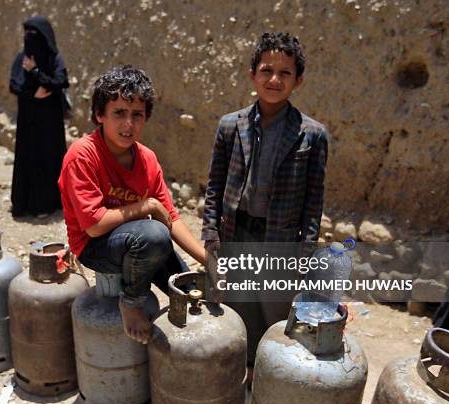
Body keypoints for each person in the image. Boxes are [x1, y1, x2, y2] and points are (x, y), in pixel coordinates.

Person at [202, 32, 328, 368]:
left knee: (274, 313)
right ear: (252, 75)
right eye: (266, 70)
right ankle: (238, 377)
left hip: (279, 240)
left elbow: (314, 199)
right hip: (236, 235)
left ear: (298, 80)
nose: (274, 79)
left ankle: (268, 379)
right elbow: (215, 185)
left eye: (285, 72)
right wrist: (211, 236)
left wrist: (306, 250)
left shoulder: (311, 134)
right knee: (236, 309)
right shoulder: (230, 126)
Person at [59, 66, 206, 344]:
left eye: (137, 115)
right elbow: (93, 226)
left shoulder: (147, 159)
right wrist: (145, 206)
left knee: (189, 291)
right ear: (100, 115)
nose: (129, 124)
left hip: (137, 240)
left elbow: (171, 219)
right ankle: (131, 303)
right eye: (119, 113)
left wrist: (207, 261)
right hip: (94, 246)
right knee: (154, 235)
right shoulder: (83, 155)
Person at [9, 16, 68, 218]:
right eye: (27, 34)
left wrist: (35, 72)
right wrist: (32, 95)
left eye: (35, 34)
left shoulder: (54, 58)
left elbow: (60, 81)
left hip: (50, 121)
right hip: (28, 120)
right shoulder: (21, 58)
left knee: (50, 157)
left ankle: (50, 203)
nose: (30, 39)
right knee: (29, 158)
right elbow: (14, 85)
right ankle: (25, 204)